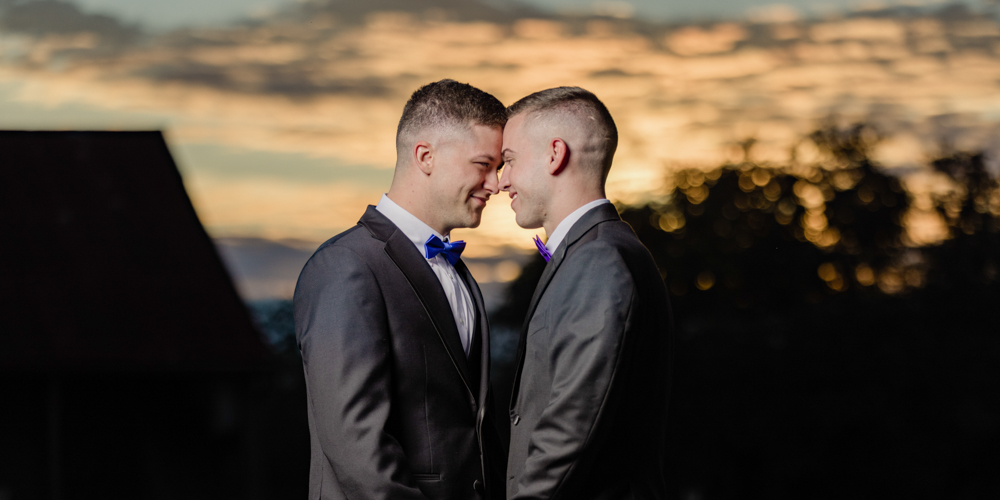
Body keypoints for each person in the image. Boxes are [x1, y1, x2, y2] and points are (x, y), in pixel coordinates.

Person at [293, 79, 507, 500]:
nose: (496, 184)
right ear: (425, 156)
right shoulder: (345, 266)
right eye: (484, 164)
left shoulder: (459, 273)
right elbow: (356, 444)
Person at [499, 87, 673, 500]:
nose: (501, 180)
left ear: (555, 154)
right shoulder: (601, 250)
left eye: (509, 161)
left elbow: (571, 426)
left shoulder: (598, 261)